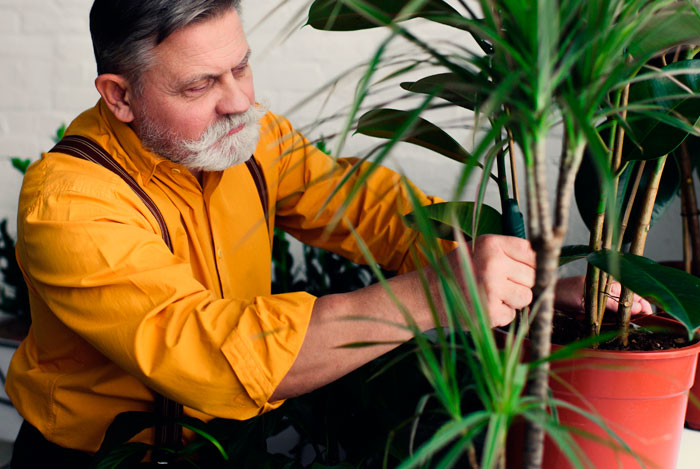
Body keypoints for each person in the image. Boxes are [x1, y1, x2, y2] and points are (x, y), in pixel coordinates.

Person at [5, 1, 652, 467]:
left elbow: (365, 208)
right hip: (95, 459)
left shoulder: (248, 140)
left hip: (235, 446)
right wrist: (431, 297)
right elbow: (206, 351)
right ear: (119, 96)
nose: (237, 101)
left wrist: (527, 278)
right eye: (201, 83)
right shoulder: (68, 202)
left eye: (241, 68)